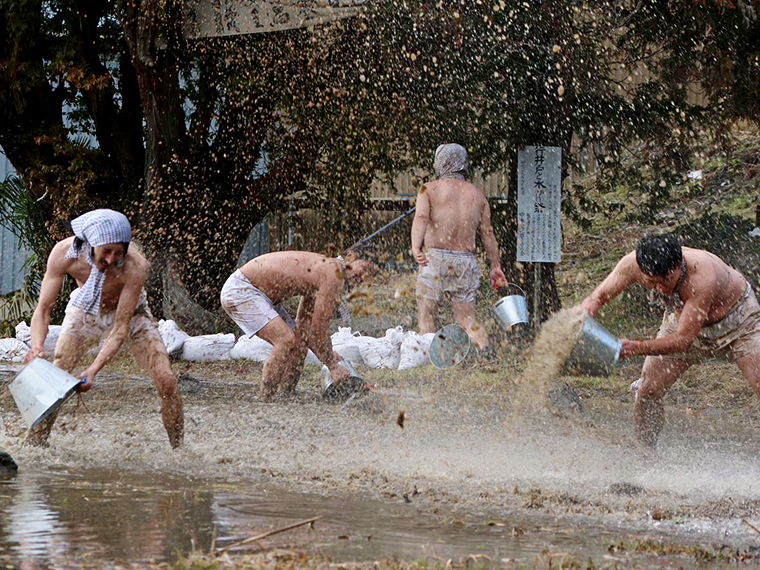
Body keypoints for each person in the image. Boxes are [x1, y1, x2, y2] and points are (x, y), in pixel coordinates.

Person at [579, 234, 760, 447]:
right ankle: (645, 452)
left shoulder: (701, 274)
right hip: (681, 320)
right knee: (647, 390)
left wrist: (635, 347)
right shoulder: (632, 264)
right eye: (651, 282)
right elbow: (597, 297)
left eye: (666, 280)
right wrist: (585, 313)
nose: (661, 288)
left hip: (740, 322)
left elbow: (683, 341)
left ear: (679, 264)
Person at [24, 209, 184, 448]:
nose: (111, 260)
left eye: (118, 252)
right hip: (87, 306)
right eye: (106, 251)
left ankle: (178, 448)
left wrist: (93, 370)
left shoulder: (135, 265)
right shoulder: (64, 253)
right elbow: (44, 309)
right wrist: (37, 347)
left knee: (166, 379)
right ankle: (35, 443)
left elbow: (120, 328)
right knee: (58, 371)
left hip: (131, 312)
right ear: (91, 244)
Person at [220, 250, 375, 401]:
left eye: (369, 275)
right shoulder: (334, 274)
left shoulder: (323, 271)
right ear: (350, 257)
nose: (363, 277)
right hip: (242, 289)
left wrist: (327, 354)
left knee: (299, 346)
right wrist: (332, 366)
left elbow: (304, 324)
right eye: (364, 268)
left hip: (260, 295)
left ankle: (286, 395)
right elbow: (319, 329)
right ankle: (265, 401)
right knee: (286, 340)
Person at [411, 143, 508, 350]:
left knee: (427, 315)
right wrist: (496, 266)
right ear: (463, 164)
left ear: (440, 163)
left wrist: (416, 247)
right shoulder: (477, 195)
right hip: (465, 260)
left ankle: (430, 357)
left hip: (434, 259)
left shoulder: (429, 189)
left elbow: (421, 218)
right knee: (467, 319)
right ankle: (483, 354)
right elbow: (487, 233)